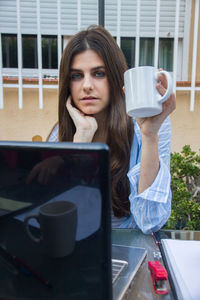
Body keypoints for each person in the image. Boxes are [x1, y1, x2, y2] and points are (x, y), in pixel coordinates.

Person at [47, 25, 176, 234]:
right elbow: (63, 221)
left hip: (129, 246)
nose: (87, 85)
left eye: (98, 73)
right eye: (76, 76)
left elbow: (150, 221)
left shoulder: (146, 125)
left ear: (116, 78)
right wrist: (81, 146)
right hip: (81, 247)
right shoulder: (62, 133)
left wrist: (149, 135)